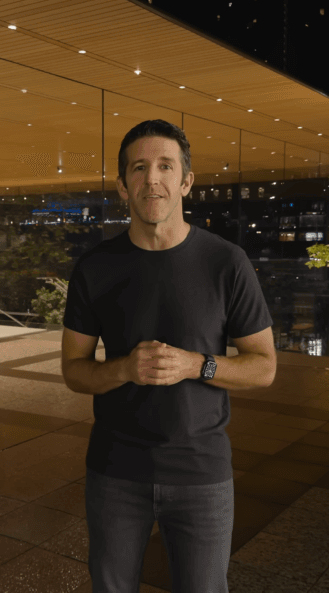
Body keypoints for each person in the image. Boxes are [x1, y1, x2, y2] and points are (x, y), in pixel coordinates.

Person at [61, 119, 277, 593]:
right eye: (139, 168)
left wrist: (196, 364)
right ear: (122, 185)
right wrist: (122, 368)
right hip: (115, 471)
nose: (151, 178)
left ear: (185, 181)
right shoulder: (95, 268)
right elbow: (74, 371)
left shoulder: (226, 263)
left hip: (202, 473)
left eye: (165, 166)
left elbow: (264, 367)